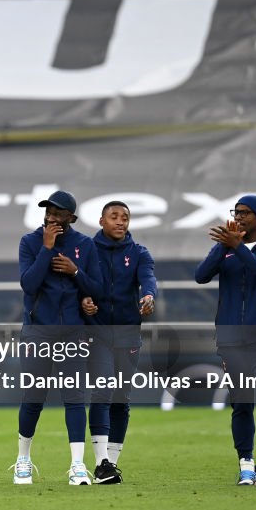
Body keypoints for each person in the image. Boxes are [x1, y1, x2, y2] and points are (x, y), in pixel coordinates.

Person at [195, 195, 256, 487]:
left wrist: (239, 248)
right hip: (232, 338)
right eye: (237, 212)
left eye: (246, 213)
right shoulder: (226, 246)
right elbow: (201, 276)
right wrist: (224, 247)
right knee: (242, 403)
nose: (240, 217)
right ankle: (246, 464)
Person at [14, 190, 103, 486]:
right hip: (38, 332)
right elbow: (29, 285)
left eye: (57, 213)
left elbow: (97, 289)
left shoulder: (85, 245)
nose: (51, 216)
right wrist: (47, 249)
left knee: (75, 399)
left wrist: (75, 271)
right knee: (33, 398)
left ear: (71, 218)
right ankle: (22, 461)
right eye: (48, 211)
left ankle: (78, 466)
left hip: (73, 333)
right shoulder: (30, 242)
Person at [80, 201, 157, 484]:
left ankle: (110, 466)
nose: (120, 221)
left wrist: (148, 296)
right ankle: (100, 462)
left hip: (128, 333)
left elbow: (148, 278)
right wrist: (83, 300)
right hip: (97, 331)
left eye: (125, 217)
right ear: (101, 221)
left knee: (121, 399)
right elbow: (75, 282)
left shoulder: (138, 253)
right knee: (103, 389)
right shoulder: (86, 250)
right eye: (114, 216)